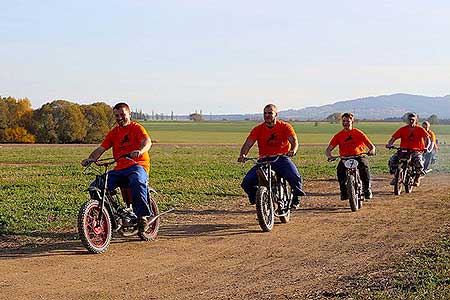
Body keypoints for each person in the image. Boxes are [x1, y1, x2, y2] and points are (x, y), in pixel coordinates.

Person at [81, 102, 153, 232]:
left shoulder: (136, 128)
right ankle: (109, 216)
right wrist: (91, 159)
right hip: (120, 169)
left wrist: (140, 151)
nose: (119, 118)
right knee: (96, 186)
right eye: (116, 115)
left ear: (129, 114)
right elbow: (101, 148)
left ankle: (142, 217)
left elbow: (147, 142)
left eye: (122, 114)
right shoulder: (113, 133)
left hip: (137, 166)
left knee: (137, 180)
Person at [238, 104, 306, 209]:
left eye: (270, 113)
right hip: (264, 160)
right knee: (247, 182)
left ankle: (296, 198)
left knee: (294, 176)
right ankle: (260, 199)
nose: (267, 115)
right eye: (265, 113)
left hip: (281, 158)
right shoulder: (258, 129)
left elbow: (294, 141)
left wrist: (293, 150)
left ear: (276, 114)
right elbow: (248, 143)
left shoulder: (285, 126)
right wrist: (243, 154)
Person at [325, 113, 376, 200]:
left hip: (358, 156)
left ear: (352, 121)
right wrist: (330, 156)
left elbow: (371, 146)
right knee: (340, 171)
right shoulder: (338, 135)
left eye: (347, 121)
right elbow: (328, 149)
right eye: (343, 121)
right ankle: (344, 192)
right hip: (345, 158)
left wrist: (371, 151)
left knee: (364, 167)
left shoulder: (358, 133)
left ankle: (367, 189)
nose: (345, 123)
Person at [385, 113, 431, 186]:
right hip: (403, 150)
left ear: (416, 120)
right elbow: (393, 138)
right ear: (407, 120)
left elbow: (427, 139)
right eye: (410, 120)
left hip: (416, 150)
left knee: (419, 163)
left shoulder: (420, 129)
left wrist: (426, 147)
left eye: (413, 120)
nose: (411, 121)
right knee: (392, 160)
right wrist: (389, 144)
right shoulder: (402, 129)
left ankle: (417, 179)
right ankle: (396, 177)